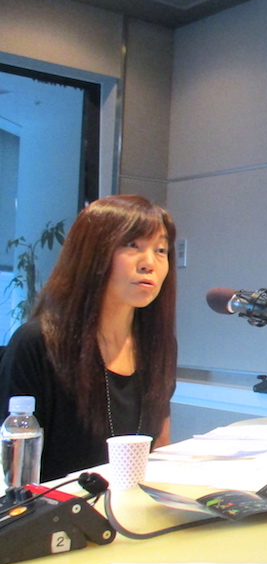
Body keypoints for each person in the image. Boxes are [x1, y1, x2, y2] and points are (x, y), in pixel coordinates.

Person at [0, 195, 177, 482]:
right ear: (93, 254)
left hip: (135, 503)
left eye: (161, 250)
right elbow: (12, 470)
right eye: (132, 245)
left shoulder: (157, 345)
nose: (149, 263)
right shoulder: (37, 342)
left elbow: (160, 445)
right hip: (56, 506)